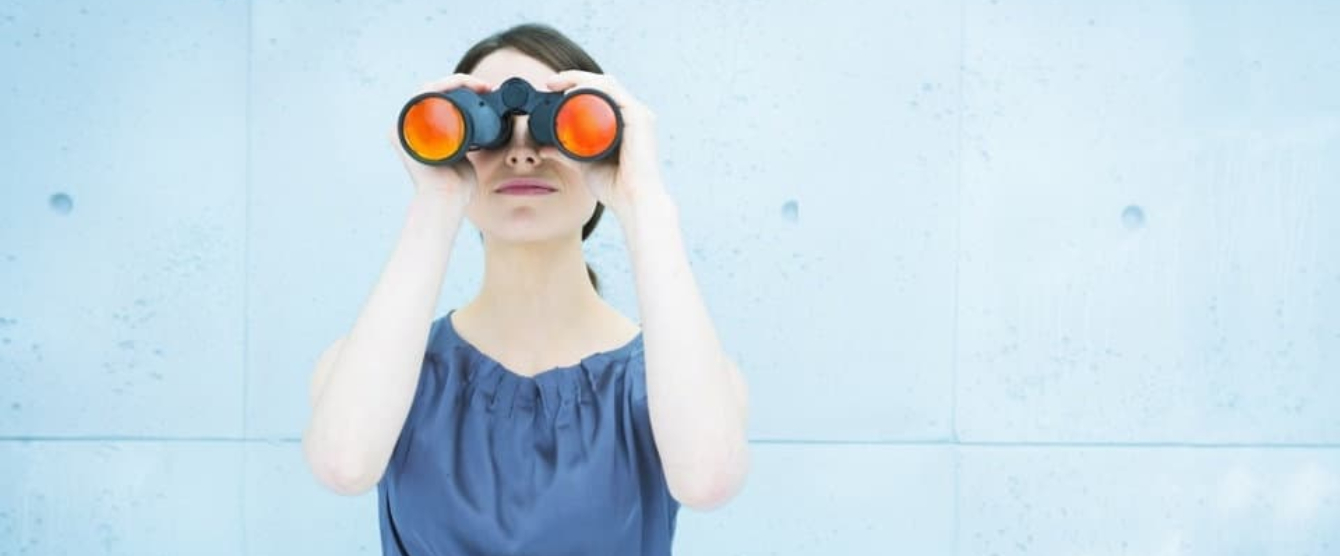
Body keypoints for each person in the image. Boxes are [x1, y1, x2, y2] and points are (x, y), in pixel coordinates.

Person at [301, 22, 751, 555]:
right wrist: (436, 202)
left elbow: (707, 482)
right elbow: (343, 465)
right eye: (488, 128)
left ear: (606, 145)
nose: (521, 153)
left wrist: (644, 200)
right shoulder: (381, 370)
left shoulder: (674, 380)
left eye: (554, 124)